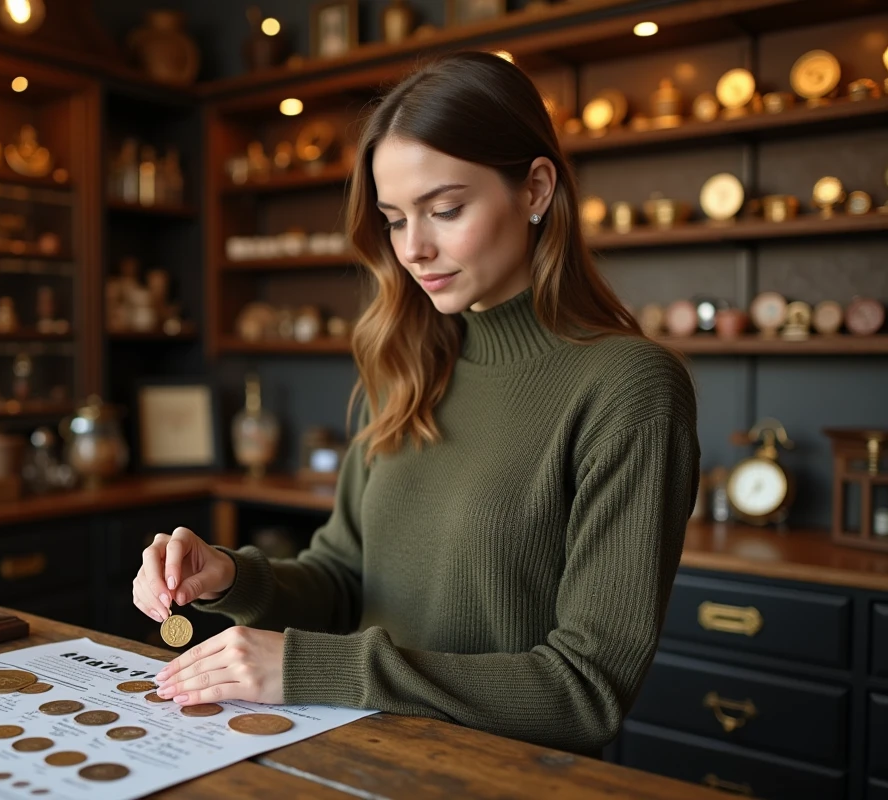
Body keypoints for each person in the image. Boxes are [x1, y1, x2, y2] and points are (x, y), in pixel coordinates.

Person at [132, 50, 700, 756]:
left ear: (536, 189)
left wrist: (309, 667)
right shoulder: (408, 364)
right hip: (363, 758)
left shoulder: (628, 387)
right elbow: (343, 582)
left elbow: (585, 691)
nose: (415, 249)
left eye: (446, 209)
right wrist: (230, 576)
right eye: (395, 219)